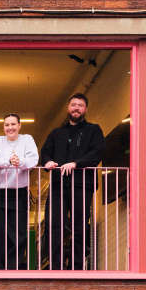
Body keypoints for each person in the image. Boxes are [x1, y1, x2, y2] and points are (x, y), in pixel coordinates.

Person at [40, 93, 105, 270]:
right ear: (68, 108)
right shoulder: (56, 133)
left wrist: (76, 163)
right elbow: (45, 153)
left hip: (82, 185)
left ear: (85, 109)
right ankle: (56, 266)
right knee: (54, 225)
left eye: (80, 105)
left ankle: (77, 267)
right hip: (58, 185)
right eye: (73, 105)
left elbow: (97, 152)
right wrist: (48, 162)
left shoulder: (93, 130)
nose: (76, 108)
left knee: (79, 225)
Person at [0, 113, 39, 269]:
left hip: (19, 193)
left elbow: (33, 160)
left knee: (18, 233)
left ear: (19, 125)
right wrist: (8, 162)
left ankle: (13, 267)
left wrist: (20, 162)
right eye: (7, 125)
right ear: (3, 127)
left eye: (13, 124)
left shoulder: (27, 139)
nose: (10, 128)